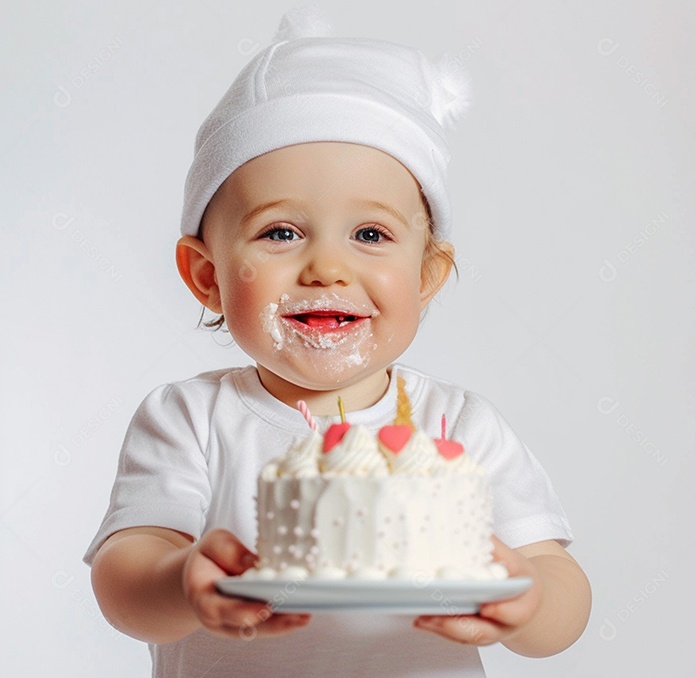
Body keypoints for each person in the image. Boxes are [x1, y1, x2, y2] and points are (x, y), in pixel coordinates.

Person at [83, 8, 590, 676]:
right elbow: (125, 583)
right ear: (206, 275)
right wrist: (182, 581)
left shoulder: (457, 429)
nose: (327, 267)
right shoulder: (189, 422)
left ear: (427, 272)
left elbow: (563, 591)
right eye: (281, 233)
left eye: (371, 235)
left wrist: (526, 598)